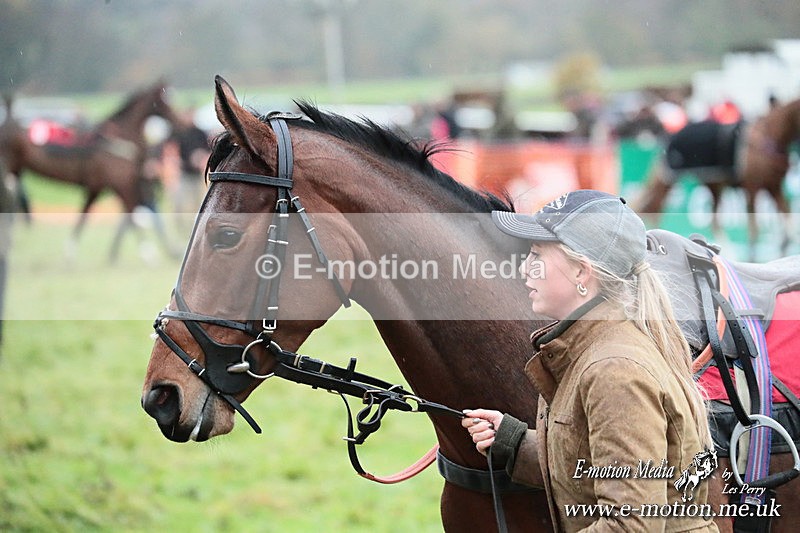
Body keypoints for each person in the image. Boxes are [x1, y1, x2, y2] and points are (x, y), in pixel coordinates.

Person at [463, 190, 718, 532]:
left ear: (582, 273)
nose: (525, 268)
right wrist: (514, 443)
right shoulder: (593, 349)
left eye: (537, 254)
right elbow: (593, 464)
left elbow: (631, 526)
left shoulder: (614, 371)